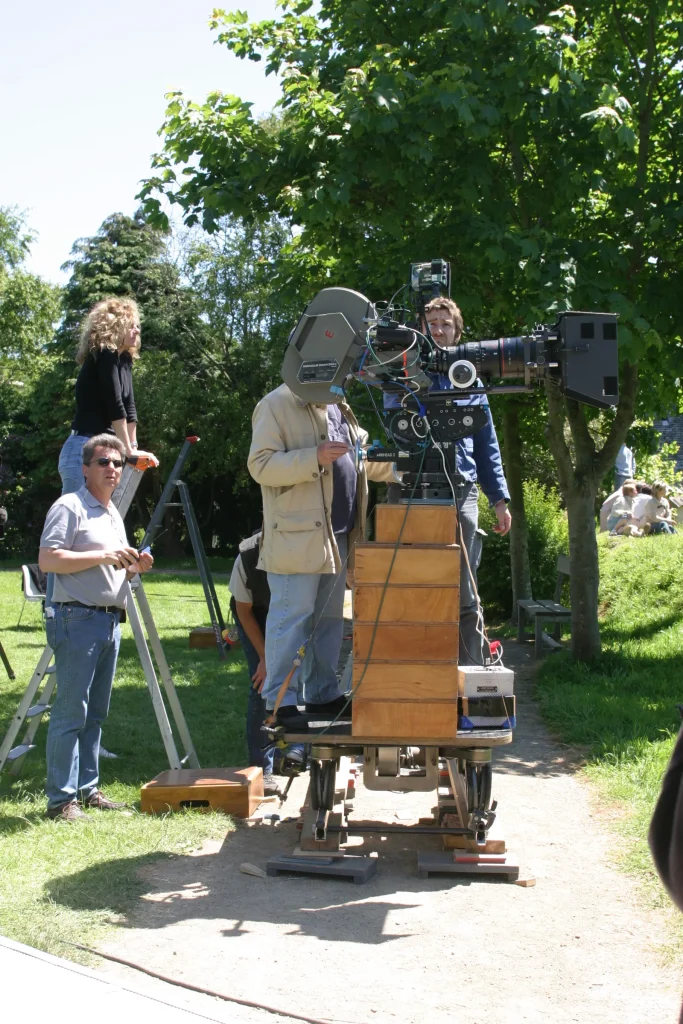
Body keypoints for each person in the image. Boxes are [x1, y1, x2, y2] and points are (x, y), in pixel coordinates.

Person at [247, 383, 395, 730]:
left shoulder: (339, 405)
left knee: (329, 622)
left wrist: (404, 464)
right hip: (298, 537)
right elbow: (260, 465)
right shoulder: (276, 403)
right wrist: (312, 456)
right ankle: (281, 702)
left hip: (339, 535)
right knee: (291, 618)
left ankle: (323, 694)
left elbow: (362, 458)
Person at [389, 296, 511, 664]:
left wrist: (500, 500)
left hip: (463, 491)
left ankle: (468, 672)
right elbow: (394, 423)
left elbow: (487, 445)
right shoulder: (400, 372)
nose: (438, 329)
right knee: (410, 582)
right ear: (420, 329)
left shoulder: (469, 376)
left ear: (457, 332)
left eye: (445, 323)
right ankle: (413, 668)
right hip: (411, 488)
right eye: (432, 322)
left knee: (465, 589)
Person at [38, 433, 153, 821]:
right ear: (85, 468)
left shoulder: (111, 514)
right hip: (77, 618)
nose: (112, 469)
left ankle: (87, 790)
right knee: (72, 712)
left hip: (108, 621)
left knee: (95, 714)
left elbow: (111, 566)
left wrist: (135, 566)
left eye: (117, 463)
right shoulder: (69, 505)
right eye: (103, 462)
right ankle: (60, 801)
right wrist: (105, 554)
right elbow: (49, 560)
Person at [58, 297, 158, 496]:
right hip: (83, 450)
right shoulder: (104, 355)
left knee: (99, 524)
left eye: (137, 326)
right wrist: (128, 452)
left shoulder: (125, 359)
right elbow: (115, 405)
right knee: (73, 521)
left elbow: (129, 407)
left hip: (107, 451)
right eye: (131, 326)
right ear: (115, 326)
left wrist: (133, 447)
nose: (137, 331)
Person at [228, 531, 303, 787]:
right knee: (264, 682)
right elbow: (243, 610)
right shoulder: (247, 557)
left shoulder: (306, 550)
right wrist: (265, 657)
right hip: (255, 615)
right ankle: (261, 768)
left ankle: (295, 751)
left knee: (295, 677)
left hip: (292, 615)